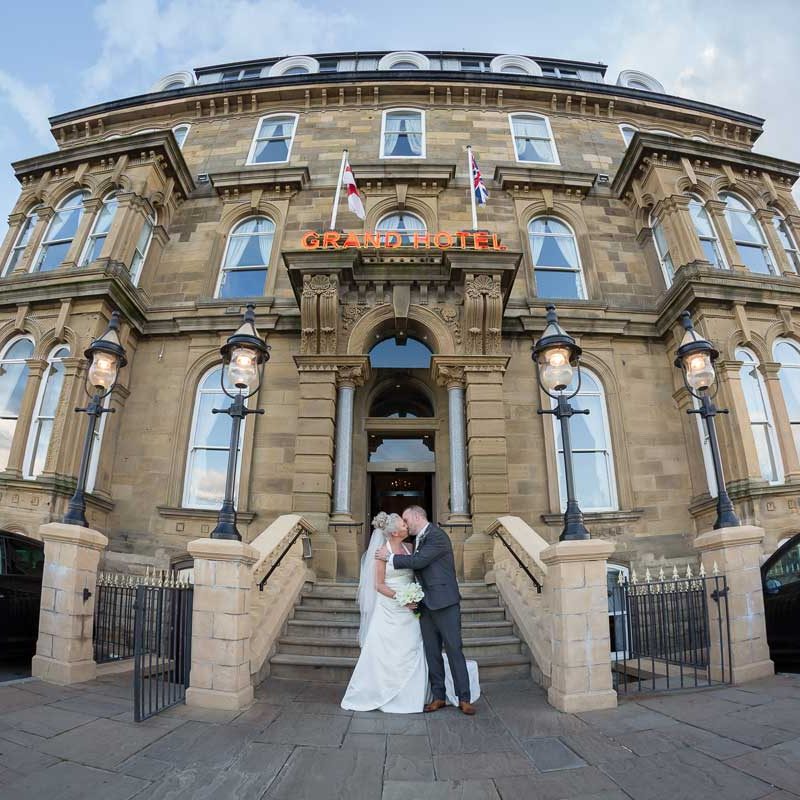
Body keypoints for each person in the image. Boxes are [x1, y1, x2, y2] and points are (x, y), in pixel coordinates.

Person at [376, 505, 478, 715]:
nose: (405, 523)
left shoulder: (436, 536)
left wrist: (390, 557)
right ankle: (438, 696)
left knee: (453, 649)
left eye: (406, 519)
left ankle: (464, 698)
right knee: (432, 653)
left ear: (416, 516)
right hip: (424, 605)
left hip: (445, 602)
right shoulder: (417, 540)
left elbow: (419, 561)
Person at [340, 512, 428, 713]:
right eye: (404, 525)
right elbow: (379, 585)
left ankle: (412, 694)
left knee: (412, 646)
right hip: (391, 607)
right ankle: (380, 691)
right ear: (396, 532)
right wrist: (404, 599)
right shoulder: (380, 553)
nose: (407, 526)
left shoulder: (410, 547)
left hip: (410, 608)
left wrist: (414, 596)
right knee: (385, 651)